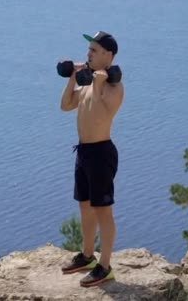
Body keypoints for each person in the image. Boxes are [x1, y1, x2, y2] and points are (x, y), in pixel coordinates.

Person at [59, 31, 124, 287]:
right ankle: (87, 255)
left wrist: (97, 83)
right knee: (84, 206)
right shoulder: (88, 83)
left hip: (101, 153)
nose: (88, 54)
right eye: (88, 50)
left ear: (108, 55)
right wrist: (73, 77)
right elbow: (65, 105)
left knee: (103, 211)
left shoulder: (114, 87)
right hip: (84, 152)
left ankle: (105, 266)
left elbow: (101, 109)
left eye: (94, 51)